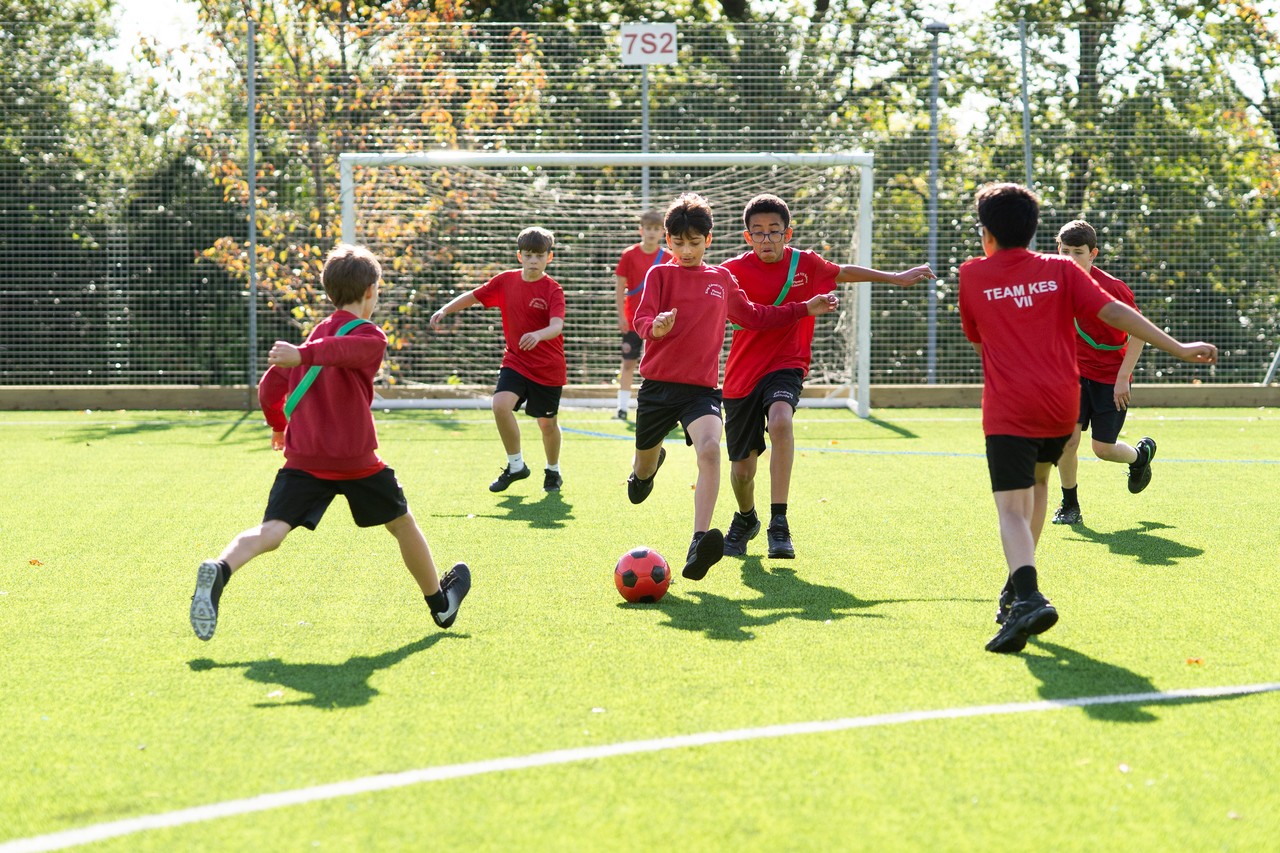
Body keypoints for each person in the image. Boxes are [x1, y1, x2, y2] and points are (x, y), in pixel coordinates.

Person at [958, 184, 1215, 654]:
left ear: (986, 235)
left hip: (1011, 404)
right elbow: (1117, 311)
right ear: (1037, 233)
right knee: (1038, 485)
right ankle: (1015, 591)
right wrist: (1178, 348)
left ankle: (1028, 593)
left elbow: (980, 342)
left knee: (1010, 509)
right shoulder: (1059, 270)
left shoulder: (972, 275)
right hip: (1060, 403)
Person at [189, 244, 471, 641]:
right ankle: (441, 606)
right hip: (356, 460)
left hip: (303, 458)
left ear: (328, 293)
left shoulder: (313, 338)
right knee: (402, 524)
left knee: (271, 532)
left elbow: (271, 386)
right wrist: (302, 359)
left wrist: (277, 424)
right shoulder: (371, 337)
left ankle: (221, 569)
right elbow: (340, 352)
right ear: (372, 291)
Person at [627, 192, 838, 581]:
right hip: (657, 387)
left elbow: (756, 316)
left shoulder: (721, 279)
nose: (686, 250)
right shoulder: (660, 275)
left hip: (702, 391)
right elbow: (642, 319)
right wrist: (654, 327)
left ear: (709, 240)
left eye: (694, 242)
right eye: (678, 243)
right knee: (640, 475)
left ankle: (697, 542)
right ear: (668, 242)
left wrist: (805, 307)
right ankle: (646, 468)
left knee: (710, 451)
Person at [720, 193, 936, 558]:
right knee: (742, 471)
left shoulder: (805, 263)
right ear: (747, 237)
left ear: (788, 233)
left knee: (782, 421)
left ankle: (779, 523)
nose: (766, 239)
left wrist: (896, 278)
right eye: (758, 232)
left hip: (787, 363)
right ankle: (746, 518)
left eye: (774, 231)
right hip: (741, 375)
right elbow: (732, 312)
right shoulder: (729, 273)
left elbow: (844, 272)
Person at [430, 226, 567, 493]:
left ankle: (552, 470)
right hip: (516, 360)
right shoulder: (505, 281)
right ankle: (516, 465)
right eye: (528, 255)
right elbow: (474, 296)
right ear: (520, 256)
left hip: (548, 368)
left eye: (539, 256)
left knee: (547, 424)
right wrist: (445, 309)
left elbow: (557, 326)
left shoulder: (553, 290)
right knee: (500, 405)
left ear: (549, 258)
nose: (534, 261)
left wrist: (538, 335)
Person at [1051, 219, 1155, 526]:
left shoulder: (1112, 288)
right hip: (1071, 376)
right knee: (1067, 442)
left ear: (1093, 254)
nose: (1070, 258)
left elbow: (1139, 333)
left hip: (1111, 376)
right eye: (1065, 251)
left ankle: (1140, 457)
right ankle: (1070, 505)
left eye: (1078, 252)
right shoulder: (1052, 284)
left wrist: (1123, 377)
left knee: (1103, 449)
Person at [613, 210, 667, 421]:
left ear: (662, 232)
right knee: (628, 362)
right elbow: (619, 287)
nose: (651, 233)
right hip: (633, 320)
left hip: (659, 321)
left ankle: (660, 407)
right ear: (640, 230)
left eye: (656, 229)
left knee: (659, 365)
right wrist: (621, 316)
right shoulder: (629, 255)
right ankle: (622, 408)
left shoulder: (668, 257)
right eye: (648, 229)